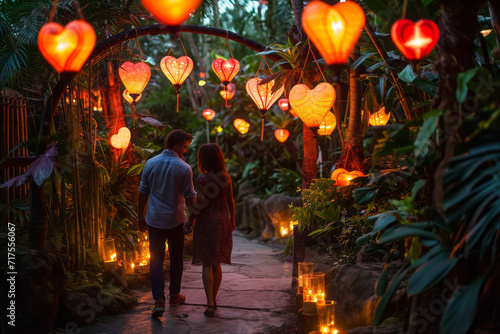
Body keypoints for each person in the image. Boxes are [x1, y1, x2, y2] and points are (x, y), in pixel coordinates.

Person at [137, 129, 196, 318]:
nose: (185, 151)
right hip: (176, 221)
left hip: (154, 220)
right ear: (177, 145)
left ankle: (158, 300)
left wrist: (140, 216)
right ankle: (175, 294)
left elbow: (143, 191)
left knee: (156, 260)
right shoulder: (184, 167)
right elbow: (189, 197)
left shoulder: (150, 163)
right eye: (185, 147)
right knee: (176, 259)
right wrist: (192, 219)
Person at [184, 143, 235, 317]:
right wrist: (232, 221)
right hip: (223, 221)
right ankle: (213, 299)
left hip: (207, 222)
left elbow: (200, 203)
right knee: (217, 262)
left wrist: (190, 220)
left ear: (203, 160)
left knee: (207, 262)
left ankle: (209, 304)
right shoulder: (226, 178)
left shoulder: (203, 179)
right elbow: (231, 202)